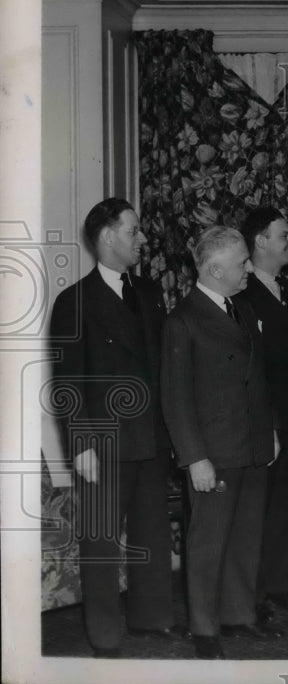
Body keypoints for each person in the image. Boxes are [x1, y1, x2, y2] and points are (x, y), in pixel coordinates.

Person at [48, 198, 181, 657]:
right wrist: (81, 444)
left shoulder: (150, 293)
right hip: (102, 444)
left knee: (153, 532)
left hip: (151, 439)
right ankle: (104, 635)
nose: (141, 238)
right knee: (101, 542)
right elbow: (67, 384)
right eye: (133, 230)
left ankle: (151, 619)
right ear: (108, 236)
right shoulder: (74, 302)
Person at [161, 225, 282, 659]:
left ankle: (238, 616)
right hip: (213, 452)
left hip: (251, 446)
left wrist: (269, 429)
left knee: (247, 537)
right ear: (214, 269)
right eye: (241, 263)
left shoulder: (242, 308)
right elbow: (175, 398)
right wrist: (195, 458)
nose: (249, 268)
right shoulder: (183, 319)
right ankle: (204, 629)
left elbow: (257, 378)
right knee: (208, 541)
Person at [236, 207, 288, 622]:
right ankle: (255, 595)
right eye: (283, 235)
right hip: (265, 423)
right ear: (260, 241)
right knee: (258, 513)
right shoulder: (241, 297)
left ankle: (280, 587)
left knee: (287, 507)